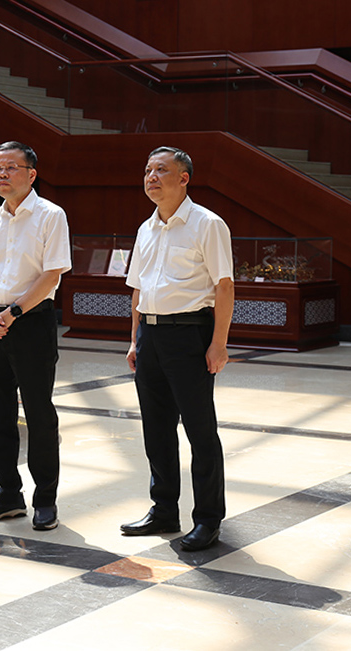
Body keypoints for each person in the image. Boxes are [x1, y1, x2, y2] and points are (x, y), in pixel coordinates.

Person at [121, 146, 234, 552]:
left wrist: (218, 344)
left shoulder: (208, 224)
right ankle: (164, 509)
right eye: (147, 170)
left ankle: (208, 519)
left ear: (184, 178)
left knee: (200, 431)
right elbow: (137, 289)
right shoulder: (146, 228)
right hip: (150, 336)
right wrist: (134, 339)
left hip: (189, 334)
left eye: (161, 170)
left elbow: (224, 286)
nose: (151, 177)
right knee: (156, 428)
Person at [0, 141, 71, 531]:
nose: (2, 174)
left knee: (39, 414)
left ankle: (45, 499)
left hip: (31, 322)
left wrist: (13, 312)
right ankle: (8, 495)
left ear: (31, 174)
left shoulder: (51, 215)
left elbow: (52, 274)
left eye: (11, 167)